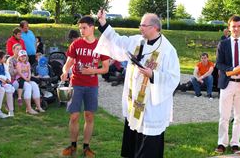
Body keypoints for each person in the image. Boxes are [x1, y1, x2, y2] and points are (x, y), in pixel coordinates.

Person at [95, 11, 180, 158]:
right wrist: (103, 22)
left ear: (154, 27)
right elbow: (117, 41)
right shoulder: (137, 41)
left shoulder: (168, 50)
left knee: (148, 147)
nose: (140, 27)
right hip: (135, 102)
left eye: (143, 25)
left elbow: (173, 78)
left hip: (152, 107)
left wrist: (152, 74)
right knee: (133, 144)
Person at [60, 16, 109, 157]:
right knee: (74, 116)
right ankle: (73, 145)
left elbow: (105, 69)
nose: (81, 30)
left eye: (84, 28)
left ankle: (86, 146)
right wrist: (64, 72)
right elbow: (68, 64)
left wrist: (93, 71)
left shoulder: (101, 46)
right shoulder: (76, 44)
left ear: (92, 27)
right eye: (80, 28)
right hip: (75, 83)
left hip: (92, 85)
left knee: (89, 116)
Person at [215, 15, 240, 154]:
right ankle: (222, 143)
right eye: (233, 26)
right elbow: (219, 64)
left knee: (239, 116)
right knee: (224, 116)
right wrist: (232, 70)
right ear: (229, 28)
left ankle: (235, 143)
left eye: (238, 26)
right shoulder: (223, 44)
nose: (236, 29)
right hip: (227, 84)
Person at [15, 50, 45, 114]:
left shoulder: (28, 63)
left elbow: (29, 71)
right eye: (21, 56)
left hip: (27, 77)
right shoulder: (18, 63)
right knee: (28, 86)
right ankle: (28, 108)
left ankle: (38, 107)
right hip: (21, 78)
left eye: (24, 56)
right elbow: (19, 73)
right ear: (19, 57)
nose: (23, 58)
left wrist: (28, 77)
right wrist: (26, 79)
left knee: (35, 85)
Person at [0, 50, 15, 118]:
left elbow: (7, 73)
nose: (5, 59)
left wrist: (8, 80)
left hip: (4, 82)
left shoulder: (4, 65)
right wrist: (3, 78)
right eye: (4, 57)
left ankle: (11, 110)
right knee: (2, 90)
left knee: (10, 89)